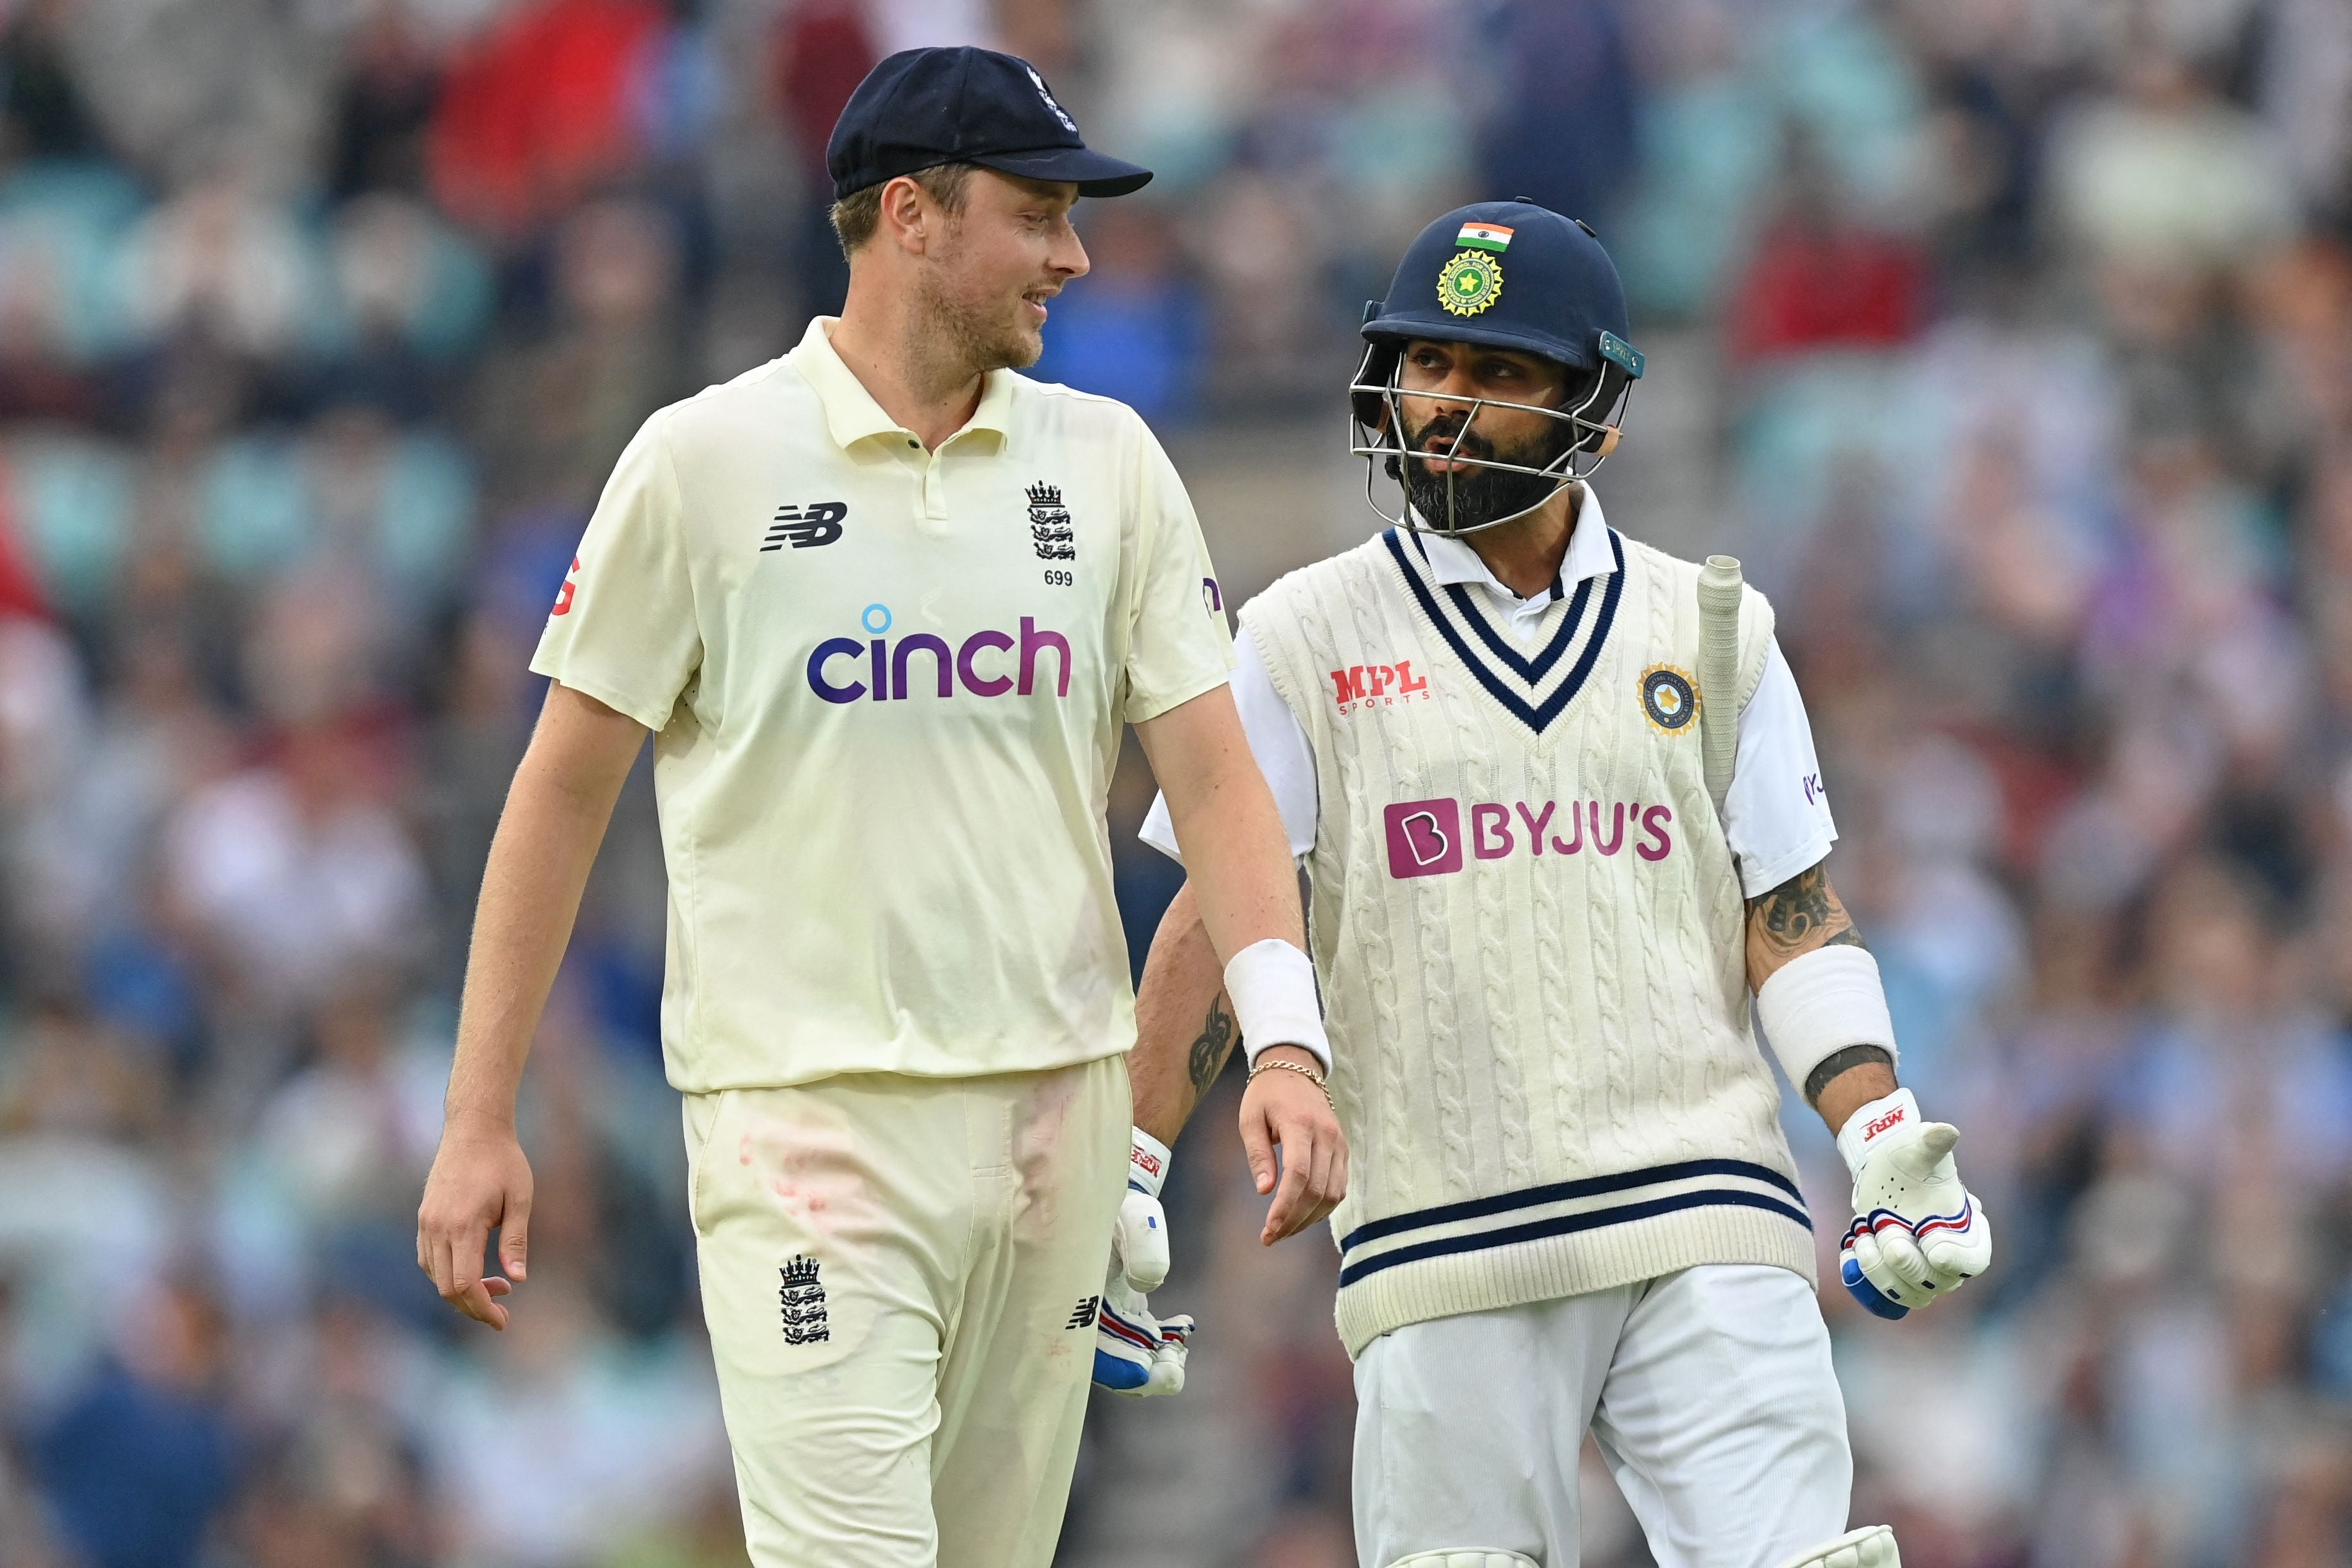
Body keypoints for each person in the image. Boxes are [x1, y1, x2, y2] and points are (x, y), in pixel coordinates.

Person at [413, 46, 1340, 1568]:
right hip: (806, 1129)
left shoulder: (1106, 463)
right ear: (909, 215)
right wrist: (475, 1117)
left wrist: (1286, 1041)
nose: (1075, 254)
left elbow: (1217, 776)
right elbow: (557, 797)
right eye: (1038, 213)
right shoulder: (700, 462)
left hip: (1059, 1120)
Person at [1128, 200, 1992, 1568]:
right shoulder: (1295, 635)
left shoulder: (1708, 628)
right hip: (1440, 1230)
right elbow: (1216, 911)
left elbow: (1789, 912)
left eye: (1496, 375)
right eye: (1423, 365)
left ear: (1593, 409)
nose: (1443, 406)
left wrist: (1878, 1129)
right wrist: (1131, 1165)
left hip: (1704, 1200)